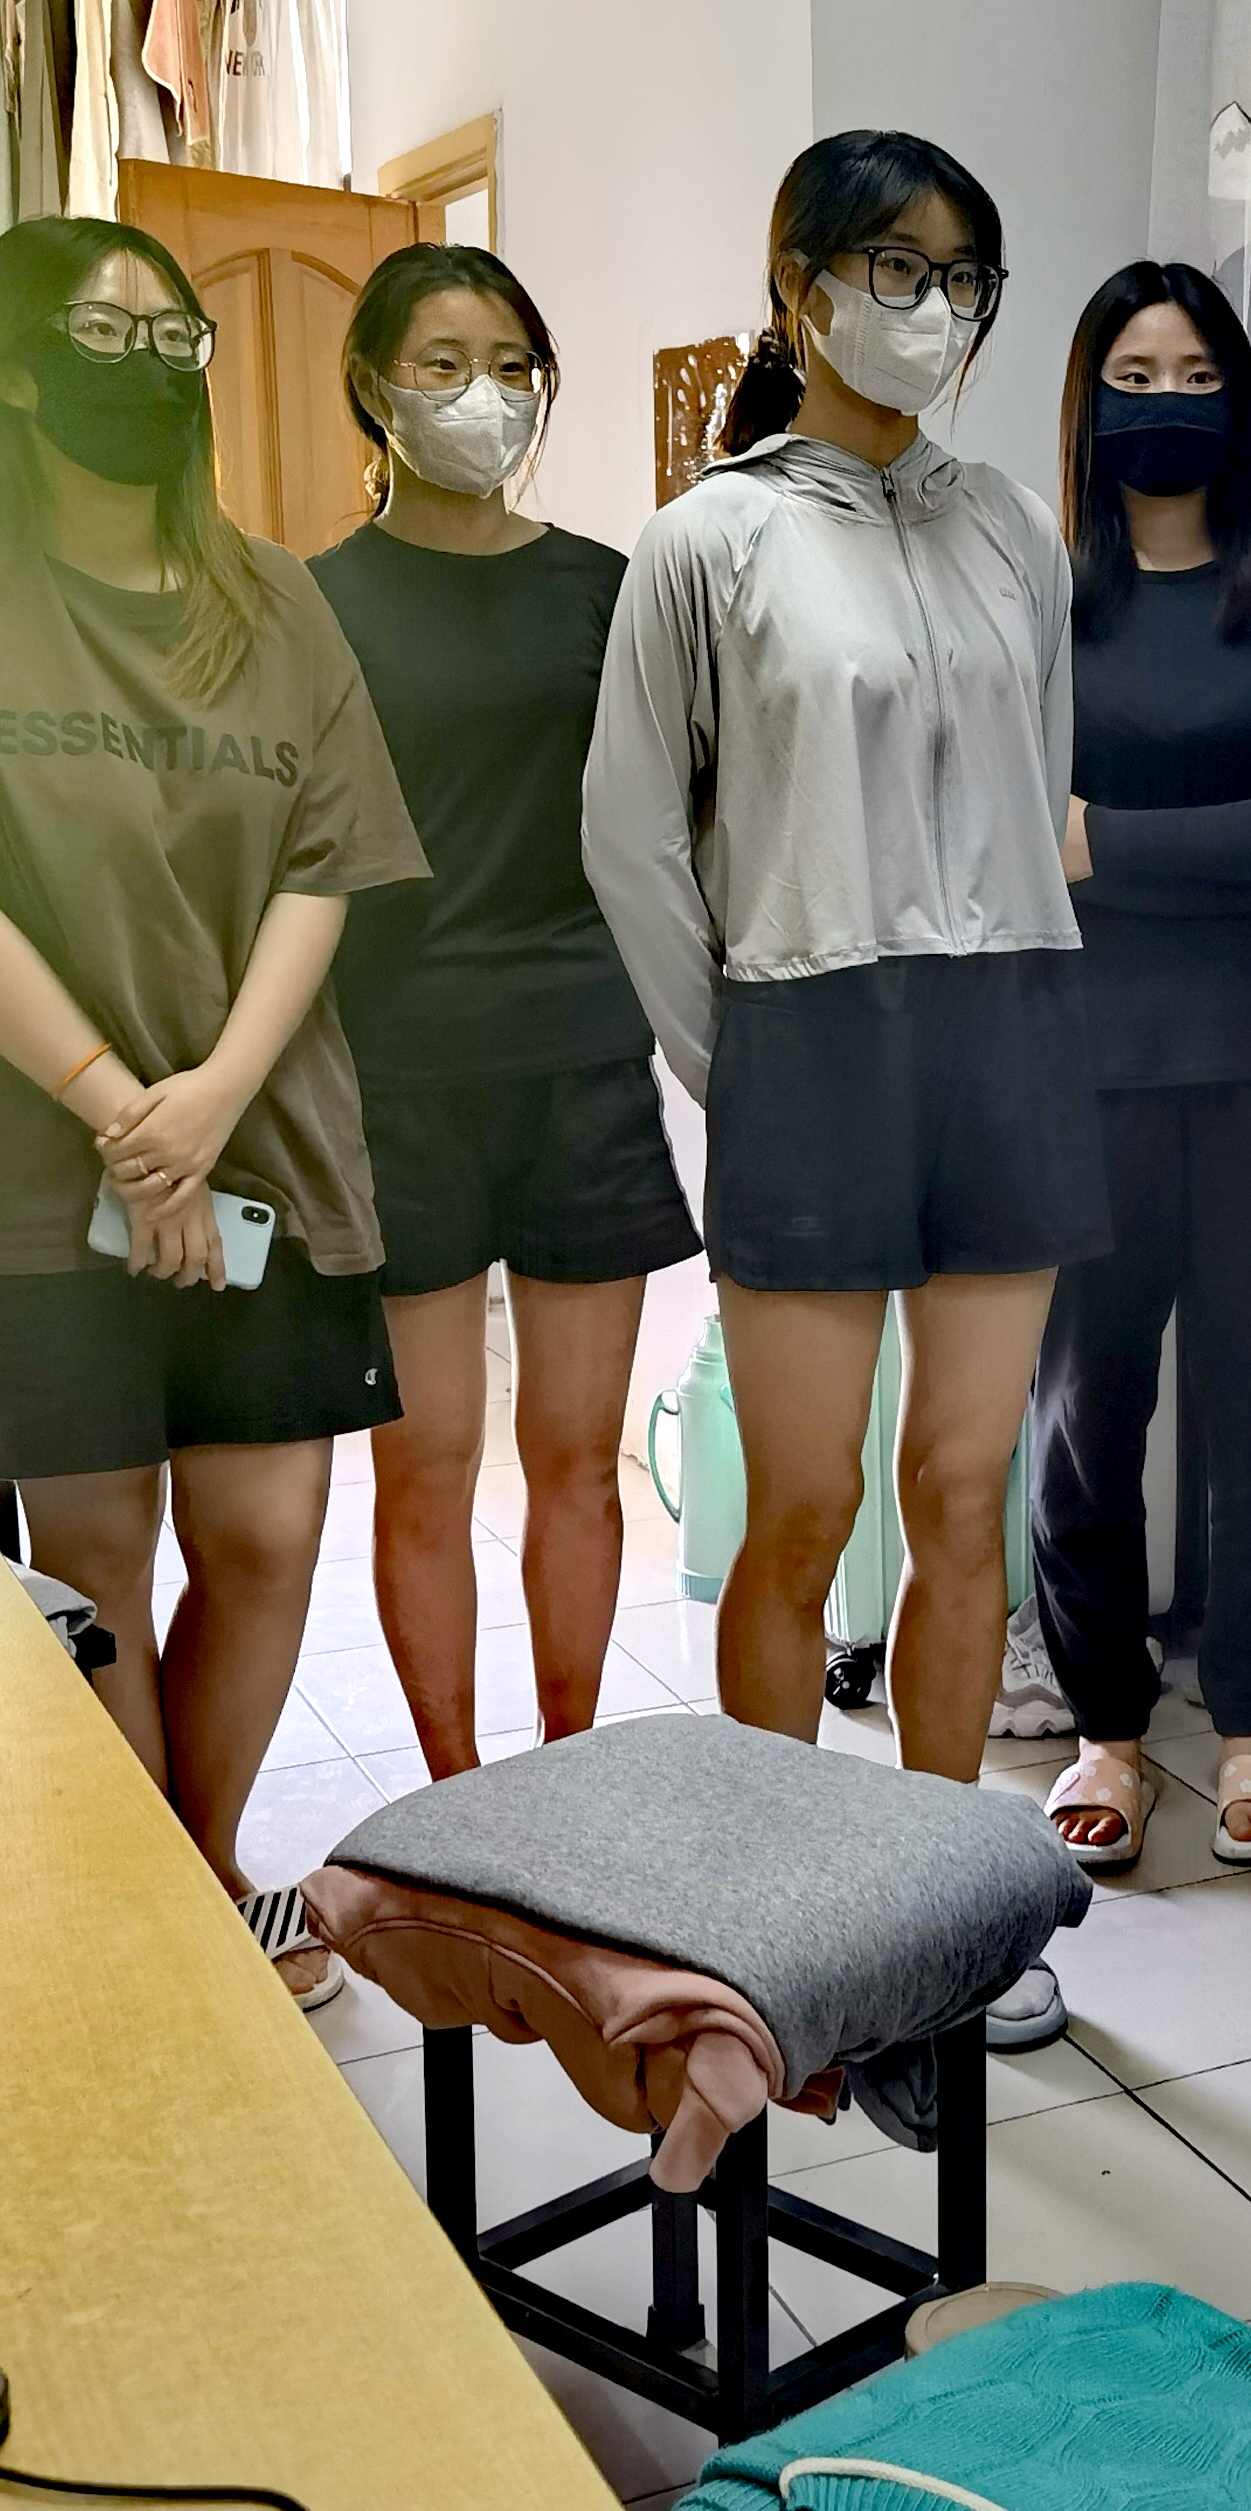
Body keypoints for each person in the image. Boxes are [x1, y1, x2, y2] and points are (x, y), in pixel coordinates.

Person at [583, 131, 1105, 2050]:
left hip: (1009, 1031)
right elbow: (631, 838)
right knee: (800, 1510)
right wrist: (735, 1060)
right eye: (896, 266)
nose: (932, 308)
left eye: (963, 276)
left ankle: (949, 1922)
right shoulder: (707, 541)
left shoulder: (1011, 533)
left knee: (964, 1490)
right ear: (799, 286)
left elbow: (1041, 782)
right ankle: (782, 1924)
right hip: (805, 1032)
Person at [0, 218, 429, 2004]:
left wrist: (210, 1105)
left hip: (269, 1147)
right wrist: (126, 1115)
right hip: (40, 1170)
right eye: (103, 337)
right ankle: (152, 1927)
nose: (152, 370)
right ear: (19, 371)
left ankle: (199, 1865)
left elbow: (327, 863)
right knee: (96, 1554)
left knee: (262, 1540)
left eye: (175, 339)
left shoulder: (273, 596)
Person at [311, 244, 699, 1781]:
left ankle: (571, 1779)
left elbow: (672, 821)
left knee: (578, 1460)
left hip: (581, 1059)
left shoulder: (605, 589)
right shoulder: (312, 603)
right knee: (426, 1468)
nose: (484, 394)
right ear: (374, 382)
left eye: (512, 365)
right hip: (391, 1072)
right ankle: (457, 1797)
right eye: (444, 362)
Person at [1030, 262, 1251, 1872]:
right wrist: (1236, 840)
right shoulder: (1038, 604)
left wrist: (1099, 840)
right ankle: (1105, 1723)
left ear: (1238, 400)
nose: (1167, 403)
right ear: (1089, 402)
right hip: (1081, 1062)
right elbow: (1012, 832)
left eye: (1195, 376)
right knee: (1086, 1409)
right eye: (1135, 377)